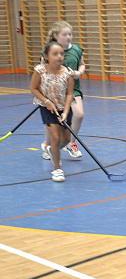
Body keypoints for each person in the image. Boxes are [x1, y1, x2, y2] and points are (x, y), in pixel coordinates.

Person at [40, 21, 85, 160]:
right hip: (55, 91)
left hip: (73, 89)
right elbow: (42, 70)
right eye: (65, 34)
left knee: (79, 114)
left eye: (70, 34)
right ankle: (47, 145)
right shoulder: (50, 51)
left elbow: (82, 65)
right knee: (54, 124)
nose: (68, 37)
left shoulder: (76, 49)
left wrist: (78, 73)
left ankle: (71, 142)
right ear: (56, 36)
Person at [31, 41, 75, 182]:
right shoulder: (40, 70)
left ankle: (52, 149)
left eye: (61, 54)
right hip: (47, 108)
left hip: (64, 108)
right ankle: (57, 169)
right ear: (47, 56)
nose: (59, 56)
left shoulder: (67, 73)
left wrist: (66, 112)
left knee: (66, 139)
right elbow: (33, 88)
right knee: (55, 138)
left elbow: (69, 94)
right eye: (55, 54)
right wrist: (46, 101)